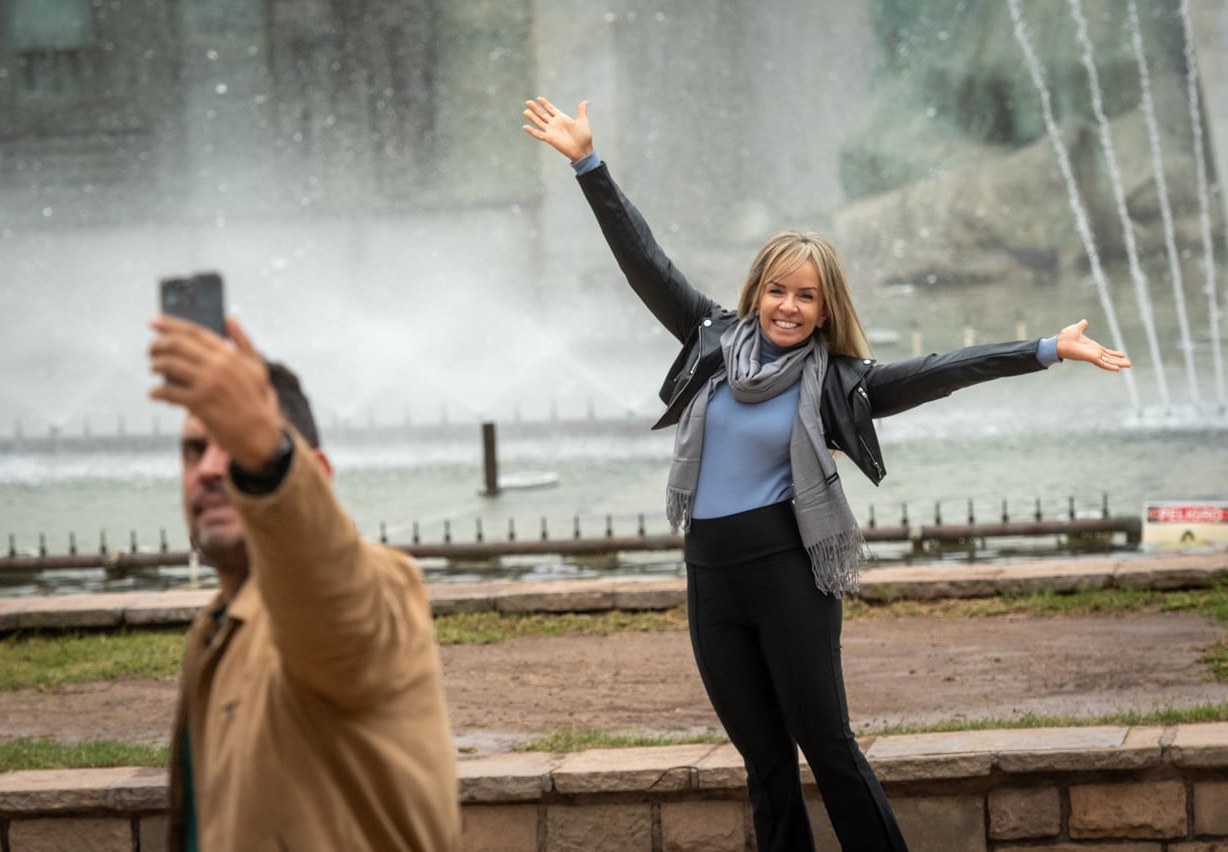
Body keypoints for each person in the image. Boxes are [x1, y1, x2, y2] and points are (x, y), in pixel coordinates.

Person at [521, 96, 1131, 852]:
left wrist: (1043, 348)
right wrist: (588, 164)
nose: (788, 305)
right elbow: (643, 259)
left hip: (787, 571)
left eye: (805, 296)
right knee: (764, 765)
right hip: (710, 576)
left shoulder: (844, 382)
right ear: (757, 292)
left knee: (829, 750)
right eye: (778, 290)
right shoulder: (711, 339)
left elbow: (942, 370)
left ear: (823, 308)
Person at [148, 314, 461, 852]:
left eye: (232, 448)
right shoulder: (215, 632)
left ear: (315, 470)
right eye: (195, 451)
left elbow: (331, 597)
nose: (208, 471)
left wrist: (268, 463)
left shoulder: (379, 590)